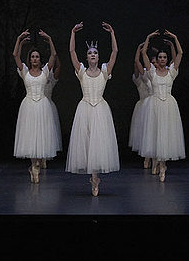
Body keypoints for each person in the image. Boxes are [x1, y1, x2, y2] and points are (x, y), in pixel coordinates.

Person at [65, 22, 119, 196]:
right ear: (87, 58)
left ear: (98, 56)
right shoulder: (81, 71)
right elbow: (72, 52)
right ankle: (93, 177)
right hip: (85, 108)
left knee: (98, 142)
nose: (93, 54)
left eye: (95, 52)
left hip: (100, 109)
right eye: (90, 53)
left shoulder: (105, 71)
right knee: (87, 143)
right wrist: (73, 32)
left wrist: (112, 33)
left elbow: (115, 52)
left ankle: (95, 178)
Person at [12, 29, 59, 183]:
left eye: (37, 57)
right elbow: (15, 56)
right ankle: (34, 166)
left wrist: (49, 39)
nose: (34, 59)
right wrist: (19, 40)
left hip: (42, 106)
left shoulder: (45, 72)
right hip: (29, 106)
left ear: (40, 59)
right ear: (30, 59)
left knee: (41, 135)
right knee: (31, 135)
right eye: (32, 56)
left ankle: (37, 164)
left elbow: (53, 56)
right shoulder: (24, 72)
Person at [139, 29, 185, 182]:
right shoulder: (151, 72)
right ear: (157, 59)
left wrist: (175, 38)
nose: (163, 59)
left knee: (165, 134)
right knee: (155, 133)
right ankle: (156, 161)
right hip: (155, 104)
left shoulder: (172, 72)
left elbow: (180, 54)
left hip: (168, 106)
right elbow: (144, 54)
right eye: (160, 57)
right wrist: (147, 38)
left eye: (165, 57)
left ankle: (163, 165)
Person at [129, 42, 153, 168]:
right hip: (143, 106)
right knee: (144, 132)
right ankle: (146, 157)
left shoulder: (155, 77)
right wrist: (139, 50)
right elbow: (136, 64)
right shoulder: (143, 78)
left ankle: (153, 158)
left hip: (154, 106)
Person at [41, 52, 63, 168]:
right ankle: (39, 155)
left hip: (49, 106)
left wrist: (54, 56)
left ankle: (45, 156)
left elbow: (58, 67)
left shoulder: (52, 81)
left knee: (48, 131)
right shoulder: (40, 78)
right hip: (39, 106)